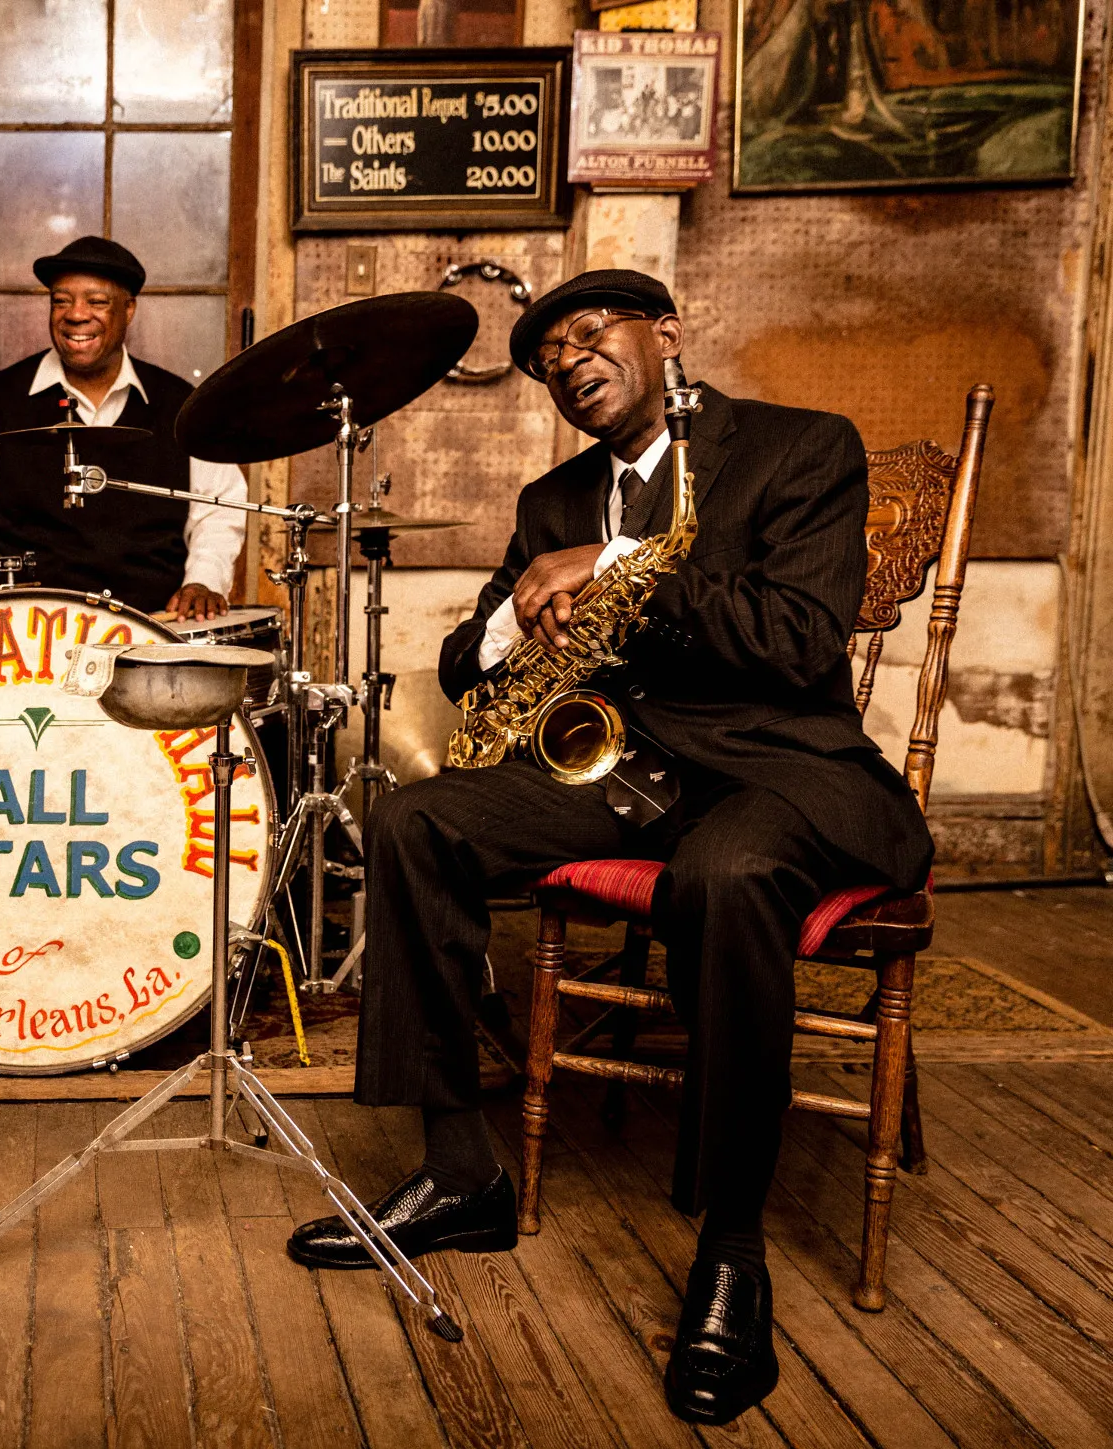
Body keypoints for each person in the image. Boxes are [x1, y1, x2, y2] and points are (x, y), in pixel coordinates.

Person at [284, 269, 931, 1426]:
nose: (570, 362)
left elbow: (796, 639)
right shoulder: (553, 498)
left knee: (723, 875)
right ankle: (458, 1170)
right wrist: (510, 620)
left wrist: (623, 568)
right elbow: (463, 666)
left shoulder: (797, 447)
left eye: (591, 334)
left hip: (776, 766)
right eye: (549, 361)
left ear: (664, 333)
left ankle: (731, 1249)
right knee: (413, 821)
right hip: (618, 773)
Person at [0, 235, 246, 620]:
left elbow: (219, 511)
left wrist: (204, 580)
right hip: (17, 637)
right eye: (61, 301)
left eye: (97, 302)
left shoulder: (182, 406)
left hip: (153, 635)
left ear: (129, 309)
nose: (76, 314)